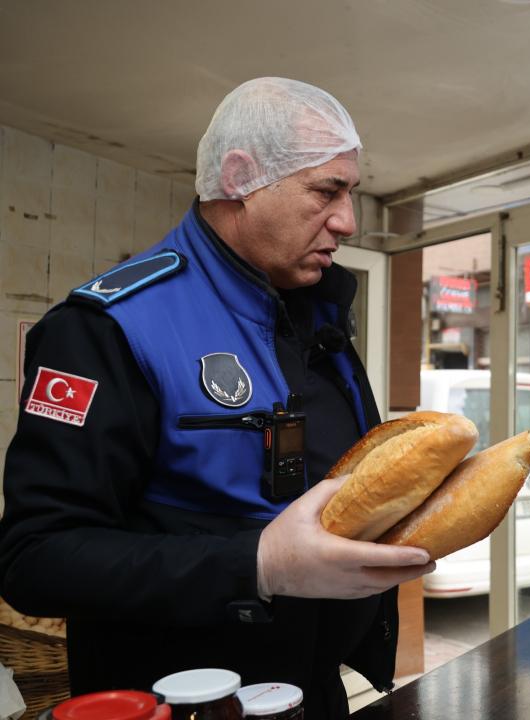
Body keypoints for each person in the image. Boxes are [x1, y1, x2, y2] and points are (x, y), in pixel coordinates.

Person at [0, 78, 434, 720]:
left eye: (352, 193)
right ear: (240, 177)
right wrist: (257, 564)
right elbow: (37, 559)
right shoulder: (108, 327)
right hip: (179, 704)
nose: (347, 221)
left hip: (310, 695)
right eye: (327, 191)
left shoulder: (318, 316)